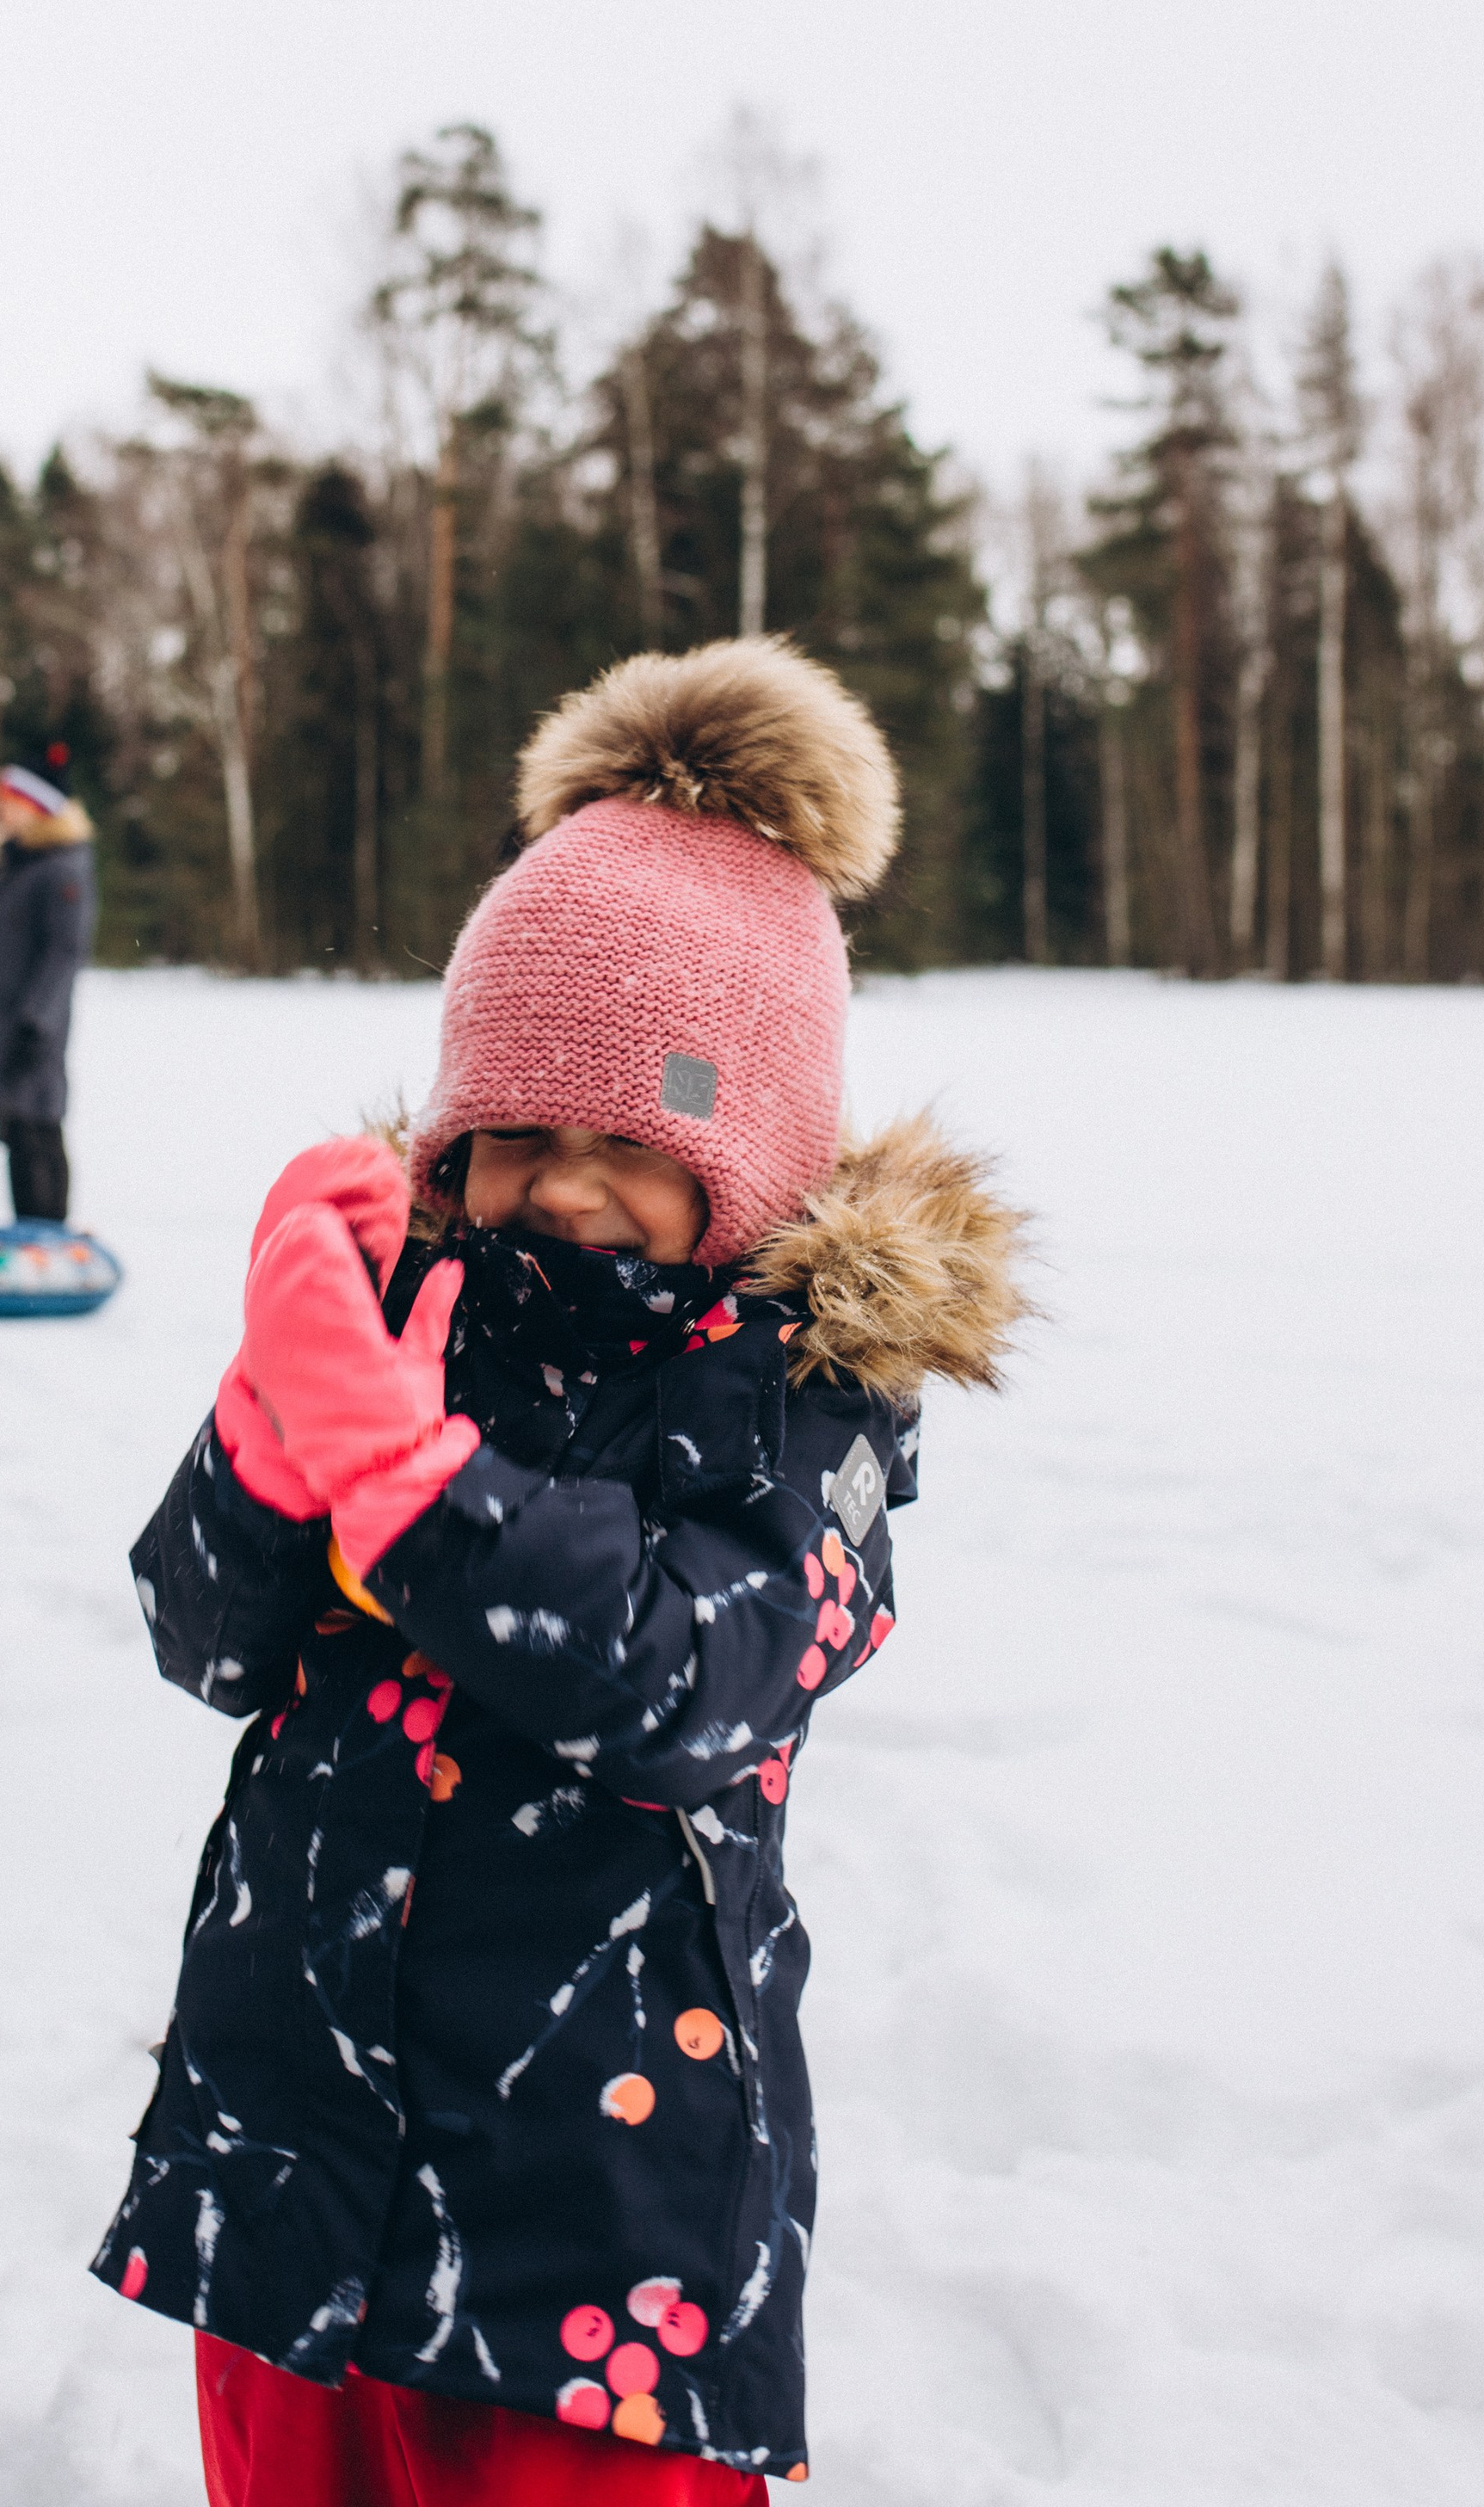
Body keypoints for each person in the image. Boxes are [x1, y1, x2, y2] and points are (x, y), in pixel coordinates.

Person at [93, 639, 1025, 2503]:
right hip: (293, 2144)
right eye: (518, 1134)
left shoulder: (801, 1419)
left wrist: (403, 1476)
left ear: (748, 1152)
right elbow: (204, 1637)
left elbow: (679, 1677)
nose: (564, 1187)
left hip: (591, 2231)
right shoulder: (411, 1325)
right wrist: (274, 1438)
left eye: (635, 1141)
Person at [0, 762, 96, 1223]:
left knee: (38, 1126)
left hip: (34, 1026)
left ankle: (48, 1231)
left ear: (35, 809)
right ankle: (26, 1231)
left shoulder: (61, 870)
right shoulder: (15, 865)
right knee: (14, 1126)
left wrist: (37, 1024)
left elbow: (64, 954)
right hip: (1, 1021)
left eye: (8, 805)